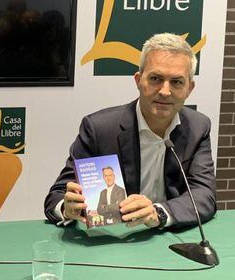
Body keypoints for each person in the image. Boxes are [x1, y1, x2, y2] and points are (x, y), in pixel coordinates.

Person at [44, 33, 216, 229]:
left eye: (177, 82)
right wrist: (67, 208)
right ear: (138, 80)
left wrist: (158, 212)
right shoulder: (99, 129)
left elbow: (204, 195)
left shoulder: (198, 126)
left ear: (189, 89)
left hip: (168, 237)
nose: (165, 91)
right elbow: (56, 197)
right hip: (113, 240)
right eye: (155, 78)